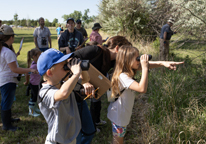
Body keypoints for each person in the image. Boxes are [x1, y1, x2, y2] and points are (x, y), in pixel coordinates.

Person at [107, 45, 184, 144]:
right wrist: (145, 68)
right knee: (117, 141)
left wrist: (163, 63)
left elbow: (145, 65)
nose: (139, 60)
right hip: (119, 116)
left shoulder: (126, 71)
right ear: (127, 61)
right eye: (137, 58)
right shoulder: (122, 76)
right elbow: (142, 88)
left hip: (120, 114)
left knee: (119, 140)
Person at [37, 48, 90, 144]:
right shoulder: (44, 92)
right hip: (56, 141)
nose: (67, 68)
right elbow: (63, 93)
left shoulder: (65, 84)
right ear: (50, 72)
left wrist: (81, 68)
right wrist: (76, 73)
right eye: (64, 67)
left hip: (71, 139)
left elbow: (85, 79)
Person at [0, 25, 38, 132]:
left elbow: (7, 63)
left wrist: (14, 56)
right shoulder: (7, 52)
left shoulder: (3, 50)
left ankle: (8, 119)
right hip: (8, 81)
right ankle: (7, 125)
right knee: (6, 102)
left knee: (6, 101)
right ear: (11, 37)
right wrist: (30, 70)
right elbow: (15, 69)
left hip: (4, 80)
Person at [24, 48, 42, 117]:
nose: (41, 56)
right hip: (34, 84)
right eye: (39, 55)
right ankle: (31, 111)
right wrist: (26, 81)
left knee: (36, 96)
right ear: (34, 57)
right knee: (33, 97)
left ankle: (35, 108)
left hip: (36, 83)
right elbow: (27, 73)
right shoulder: (34, 66)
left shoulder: (36, 63)